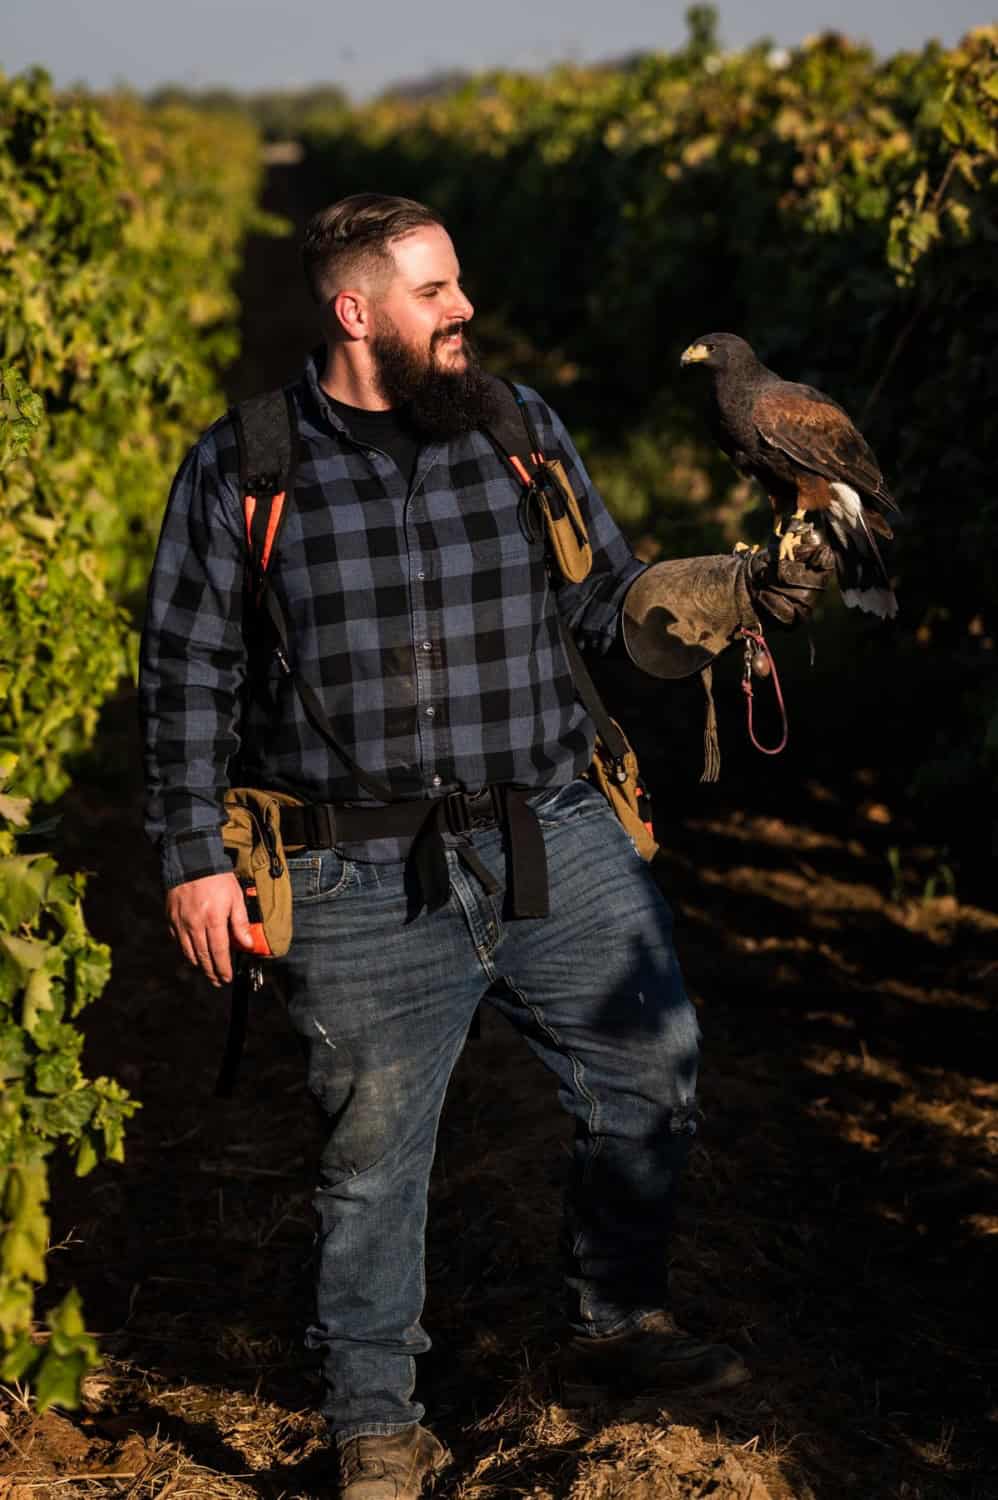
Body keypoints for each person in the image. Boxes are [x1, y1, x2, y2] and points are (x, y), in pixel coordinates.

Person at [140, 193, 832, 1500]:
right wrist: (190, 855)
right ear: (357, 312)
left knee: (652, 1071)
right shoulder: (244, 465)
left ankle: (615, 1321)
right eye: (433, 292)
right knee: (371, 1164)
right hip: (352, 873)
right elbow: (185, 669)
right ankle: (375, 1421)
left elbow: (602, 606)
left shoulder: (516, 429)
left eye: (458, 287)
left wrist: (725, 596)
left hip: (551, 832)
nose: (463, 310)